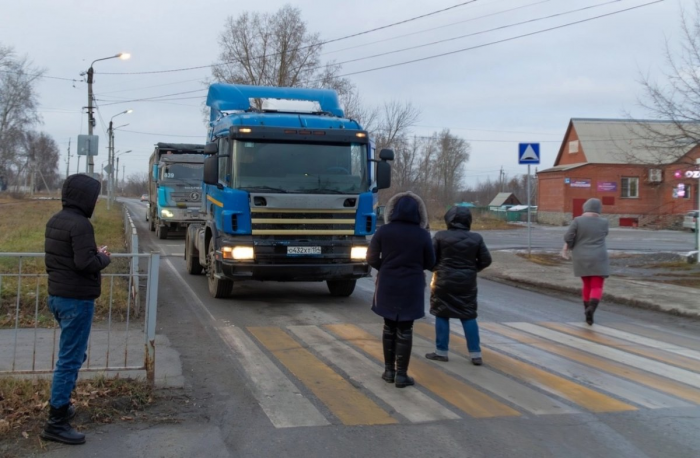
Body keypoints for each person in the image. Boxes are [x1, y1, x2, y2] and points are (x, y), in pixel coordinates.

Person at [42, 174, 111, 445]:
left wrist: (92, 254)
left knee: (74, 355)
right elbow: (85, 263)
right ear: (85, 198)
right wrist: (103, 257)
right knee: (69, 360)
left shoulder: (56, 220)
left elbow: (68, 258)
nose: (95, 201)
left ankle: (63, 405)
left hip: (58, 297)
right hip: (76, 301)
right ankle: (56, 420)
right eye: (94, 197)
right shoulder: (81, 224)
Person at [367, 191, 435, 388]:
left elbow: (371, 258)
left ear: (393, 211)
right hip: (411, 285)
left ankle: (388, 371)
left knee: (389, 327)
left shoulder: (383, 231)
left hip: (387, 283)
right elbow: (430, 262)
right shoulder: (422, 234)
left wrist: (386, 268)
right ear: (418, 213)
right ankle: (401, 375)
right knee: (405, 329)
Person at [425, 206, 492, 366]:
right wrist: (472, 269)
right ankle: (475, 354)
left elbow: (429, 257)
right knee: (468, 315)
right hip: (467, 282)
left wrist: (436, 269)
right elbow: (486, 260)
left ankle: (441, 352)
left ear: (448, 220)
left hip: (443, 281)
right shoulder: (476, 238)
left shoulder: (441, 236)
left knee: (442, 314)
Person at [563, 198, 610, 325]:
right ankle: (591, 310)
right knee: (597, 285)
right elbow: (605, 234)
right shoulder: (604, 222)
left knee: (587, 285)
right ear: (599, 209)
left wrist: (571, 247)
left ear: (585, 208)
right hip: (599, 256)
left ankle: (587, 314)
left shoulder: (578, 220)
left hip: (580, 256)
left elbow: (568, 237)